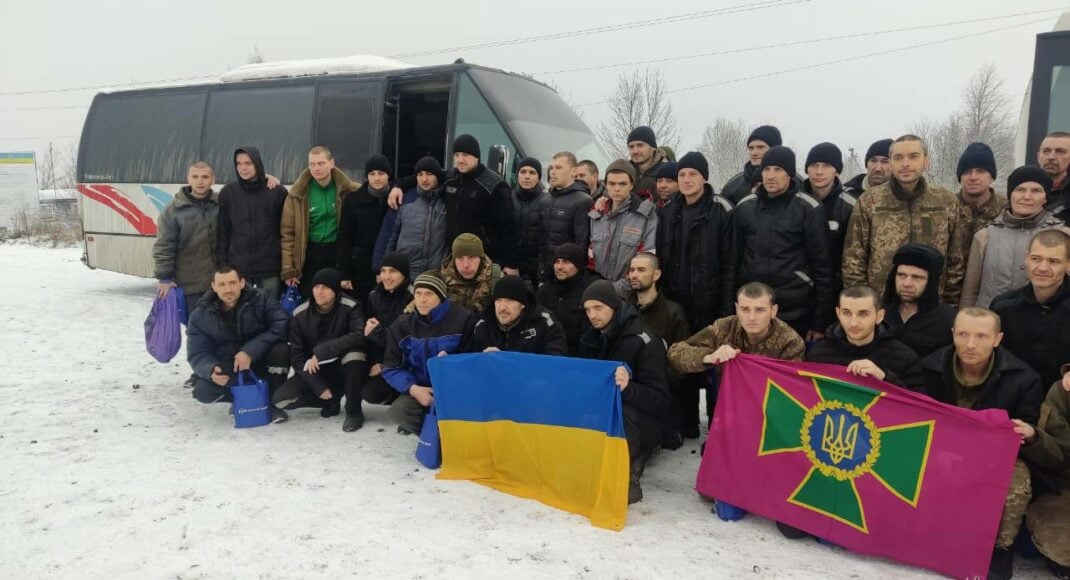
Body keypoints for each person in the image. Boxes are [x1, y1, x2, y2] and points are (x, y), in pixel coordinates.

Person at [919, 308, 1043, 580]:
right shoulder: (929, 367)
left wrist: (1027, 434)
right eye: (963, 334)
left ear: (998, 339)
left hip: (996, 456)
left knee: (1016, 480)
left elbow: (1027, 433)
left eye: (981, 336)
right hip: (943, 447)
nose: (970, 344)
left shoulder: (1024, 378)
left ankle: (1000, 548)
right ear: (952, 334)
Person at [842, 134, 971, 304]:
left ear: (926, 161)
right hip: (882, 305)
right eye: (898, 158)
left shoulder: (945, 201)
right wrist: (863, 304)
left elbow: (956, 259)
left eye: (913, 156)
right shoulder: (870, 201)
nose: (905, 164)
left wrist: (948, 304)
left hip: (931, 306)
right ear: (891, 162)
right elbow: (854, 259)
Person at [578, 280, 670, 504]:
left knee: (624, 410)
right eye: (588, 309)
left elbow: (661, 401)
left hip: (642, 421)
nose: (592, 315)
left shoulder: (644, 340)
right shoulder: (590, 337)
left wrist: (629, 388)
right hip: (601, 413)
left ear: (614, 306)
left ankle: (628, 472)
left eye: (598, 308)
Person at [735, 146, 834, 340]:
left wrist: (820, 322)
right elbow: (733, 261)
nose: (770, 176)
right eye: (766, 169)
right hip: (754, 308)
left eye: (777, 169)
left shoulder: (809, 208)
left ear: (789, 174)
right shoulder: (745, 207)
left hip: (796, 308)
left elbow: (823, 268)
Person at [388, 134, 520, 276]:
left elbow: (509, 228)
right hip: (455, 259)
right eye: (456, 155)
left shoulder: (494, 185)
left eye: (465, 155)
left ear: (477, 157)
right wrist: (399, 186)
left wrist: (511, 264)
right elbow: (426, 174)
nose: (460, 160)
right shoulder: (451, 177)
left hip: (486, 259)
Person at [271, 268, 369, 431]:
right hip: (315, 369)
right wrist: (318, 386)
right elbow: (297, 357)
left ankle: (354, 411)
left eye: (325, 287)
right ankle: (330, 399)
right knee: (281, 400)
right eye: (316, 287)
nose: (319, 292)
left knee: (355, 354)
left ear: (335, 290)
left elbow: (360, 335)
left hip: (343, 366)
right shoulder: (299, 314)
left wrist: (322, 351)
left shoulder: (351, 306)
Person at [186, 266, 290, 419]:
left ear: (242, 283)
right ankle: (240, 400)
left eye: (232, 283)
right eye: (222, 284)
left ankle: (270, 402)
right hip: (229, 367)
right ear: (213, 287)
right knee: (202, 391)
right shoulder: (200, 314)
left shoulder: (261, 298)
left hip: (261, 362)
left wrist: (250, 351)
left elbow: (282, 324)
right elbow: (197, 353)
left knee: (282, 351)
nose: (228, 289)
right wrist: (211, 369)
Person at [382, 271, 476, 435]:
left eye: (429, 294)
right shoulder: (402, 325)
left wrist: (453, 364)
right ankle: (431, 436)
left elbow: (475, 361)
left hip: (454, 390)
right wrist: (413, 389)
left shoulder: (463, 319)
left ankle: (451, 434)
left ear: (440, 296)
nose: (422, 299)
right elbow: (391, 367)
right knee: (398, 411)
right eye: (418, 293)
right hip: (421, 391)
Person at [153, 161, 219, 388]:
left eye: (205, 177)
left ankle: (218, 369)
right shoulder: (173, 211)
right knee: (196, 330)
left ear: (212, 179)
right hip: (190, 283)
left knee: (221, 329)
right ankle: (201, 371)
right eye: (195, 176)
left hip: (219, 283)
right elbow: (164, 246)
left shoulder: (220, 205)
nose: (200, 182)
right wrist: (164, 277)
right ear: (188, 178)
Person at [962, 166, 1067, 307]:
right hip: (991, 323)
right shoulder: (985, 236)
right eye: (1020, 190)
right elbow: (970, 291)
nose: (1027, 197)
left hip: (1046, 322)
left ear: (1045, 198)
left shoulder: (1064, 236)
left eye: (1036, 191)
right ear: (1010, 194)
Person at [656, 151, 738, 332]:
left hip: (707, 304)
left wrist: (726, 311)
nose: (686, 179)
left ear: (704, 178)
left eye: (693, 174)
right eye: (682, 175)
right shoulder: (667, 210)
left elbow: (730, 264)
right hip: (673, 301)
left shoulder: (722, 210)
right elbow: (661, 255)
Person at [668, 282, 806, 376]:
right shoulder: (724, 327)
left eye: (760, 310)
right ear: (736, 308)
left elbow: (792, 387)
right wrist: (710, 356)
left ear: (773, 311)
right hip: (728, 404)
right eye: (745, 309)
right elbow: (675, 354)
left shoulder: (790, 341)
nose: (751, 317)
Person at [627, 252, 691, 447]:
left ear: (656, 275)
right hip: (628, 390)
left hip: (660, 394)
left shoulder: (674, 313)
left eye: (641, 270)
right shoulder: (623, 309)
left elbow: (682, 363)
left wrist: (658, 383)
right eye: (631, 270)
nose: (634, 275)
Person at [991, 230, 1070, 387]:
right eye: (1036, 259)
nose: (1042, 268)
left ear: (1068, 264)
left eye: (1053, 261)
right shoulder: (1003, 307)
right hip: (1014, 397)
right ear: (1026, 258)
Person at [807, 286, 924, 388]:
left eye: (863, 314)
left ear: (879, 316)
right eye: (846, 313)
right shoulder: (818, 354)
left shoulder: (905, 358)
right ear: (838, 313)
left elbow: (919, 407)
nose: (853, 323)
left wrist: (884, 377)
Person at [281, 146, 360, 299]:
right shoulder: (297, 195)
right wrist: (289, 269)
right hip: (309, 255)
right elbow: (287, 234)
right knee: (310, 301)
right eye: (312, 164)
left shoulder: (349, 191)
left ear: (332, 163)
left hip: (337, 253)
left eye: (321, 163)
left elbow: (377, 188)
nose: (316, 168)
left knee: (338, 300)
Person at [216, 147, 288, 299]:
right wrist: (223, 266)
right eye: (239, 163)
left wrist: (287, 267)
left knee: (270, 314)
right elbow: (223, 233)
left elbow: (287, 232)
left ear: (257, 163)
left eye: (248, 163)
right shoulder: (228, 193)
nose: (243, 167)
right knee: (242, 316)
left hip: (270, 270)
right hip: (239, 270)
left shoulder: (277, 192)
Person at [1020, 374, 1070, 579]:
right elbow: (1058, 455)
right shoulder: (1063, 391)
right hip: (1063, 487)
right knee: (1057, 541)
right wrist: (1034, 438)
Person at [589, 160, 658, 295]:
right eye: (612, 184)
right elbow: (590, 258)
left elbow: (646, 260)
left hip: (629, 296)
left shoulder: (646, 215)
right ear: (605, 185)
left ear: (631, 185)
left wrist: (614, 290)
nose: (616, 189)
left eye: (622, 184)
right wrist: (595, 288)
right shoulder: (596, 215)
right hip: (597, 294)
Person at [882, 243, 956, 360]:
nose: (906, 284)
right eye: (901, 275)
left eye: (917, 277)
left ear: (931, 282)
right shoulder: (879, 311)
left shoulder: (947, 320)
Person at [361, 252, 413, 410]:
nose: (386, 276)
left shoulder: (414, 298)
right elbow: (368, 335)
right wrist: (376, 361)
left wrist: (377, 332)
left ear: (404, 275)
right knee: (369, 392)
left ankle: (408, 403)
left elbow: (405, 341)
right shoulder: (374, 296)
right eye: (383, 271)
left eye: (392, 271)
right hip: (383, 358)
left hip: (407, 361)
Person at [337, 154, 391, 304]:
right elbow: (344, 238)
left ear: (388, 175)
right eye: (372, 174)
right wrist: (344, 273)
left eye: (381, 173)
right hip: (359, 269)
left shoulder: (397, 198)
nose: (376, 178)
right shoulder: (353, 200)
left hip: (389, 268)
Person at [382, 156, 448, 277]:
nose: (424, 179)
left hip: (437, 277)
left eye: (429, 174)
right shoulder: (404, 200)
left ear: (437, 176)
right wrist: (381, 269)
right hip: (406, 276)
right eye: (420, 174)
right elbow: (388, 237)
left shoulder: (447, 202)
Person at [802, 142, 855, 293]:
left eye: (826, 166)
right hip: (796, 287)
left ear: (837, 171)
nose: (819, 171)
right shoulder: (793, 201)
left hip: (833, 287)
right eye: (814, 165)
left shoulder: (850, 206)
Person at [471, 276, 567, 355]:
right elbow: (471, 367)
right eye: (498, 300)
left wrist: (508, 360)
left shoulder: (544, 322)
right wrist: (484, 360)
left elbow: (555, 361)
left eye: (510, 301)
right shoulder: (483, 325)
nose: (502, 307)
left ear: (523, 304)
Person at [535, 243, 602, 355]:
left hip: (584, 356)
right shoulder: (544, 291)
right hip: (551, 355)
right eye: (557, 262)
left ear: (578, 265)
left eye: (566, 262)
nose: (559, 266)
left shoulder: (592, 289)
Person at [541, 151, 593, 280]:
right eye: (551, 168)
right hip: (544, 271)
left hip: (567, 274)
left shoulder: (583, 201)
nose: (553, 172)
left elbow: (581, 243)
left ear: (573, 171)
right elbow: (541, 241)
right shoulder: (545, 199)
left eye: (559, 168)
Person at [722, 125, 797, 205]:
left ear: (775, 148)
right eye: (751, 148)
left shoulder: (795, 183)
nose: (754, 153)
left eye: (760, 147)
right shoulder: (734, 185)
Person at [956, 142, 1008, 241]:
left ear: (992, 177)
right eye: (967, 172)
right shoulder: (948, 207)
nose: (973, 177)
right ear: (960, 178)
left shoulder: (1007, 210)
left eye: (980, 171)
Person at [511, 157, 550, 288]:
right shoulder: (507, 198)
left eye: (532, 173)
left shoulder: (547, 201)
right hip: (512, 266)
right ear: (517, 175)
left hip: (536, 267)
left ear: (538, 177)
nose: (527, 176)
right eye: (523, 172)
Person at [440, 233, 502, 314]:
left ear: (481, 258)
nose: (466, 265)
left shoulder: (496, 278)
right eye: (460, 258)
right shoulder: (441, 279)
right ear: (453, 259)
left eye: (471, 257)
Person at [627, 126, 670, 202]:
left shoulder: (667, 172)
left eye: (640, 145)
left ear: (653, 147)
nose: (635, 151)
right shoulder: (626, 171)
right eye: (631, 147)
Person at [1039, 131, 1070, 221]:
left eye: (1060, 151)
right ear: (1038, 156)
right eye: (1046, 151)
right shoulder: (1021, 192)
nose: (1051, 157)